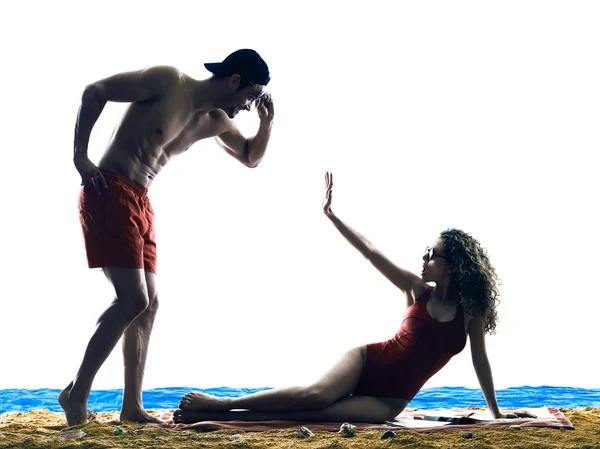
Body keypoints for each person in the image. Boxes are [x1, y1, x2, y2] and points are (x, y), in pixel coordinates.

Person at [175, 172, 523, 424]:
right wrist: (331, 214)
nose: (424, 258)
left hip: (389, 401)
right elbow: (370, 252)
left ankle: (213, 414)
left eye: (432, 254)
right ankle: (222, 404)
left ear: (453, 267)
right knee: (315, 396)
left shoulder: (470, 312)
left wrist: (496, 413)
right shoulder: (416, 290)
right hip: (366, 361)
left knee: (312, 414)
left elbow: (480, 361)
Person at [59, 49, 275, 426]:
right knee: (132, 299)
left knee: (149, 304)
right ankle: (76, 394)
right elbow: (95, 91)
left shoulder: (216, 121)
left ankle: (131, 408)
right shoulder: (169, 82)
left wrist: (267, 124)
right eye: (250, 95)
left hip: (142, 201)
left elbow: (250, 156)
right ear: (235, 80)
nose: (247, 106)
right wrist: (80, 155)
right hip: (108, 187)